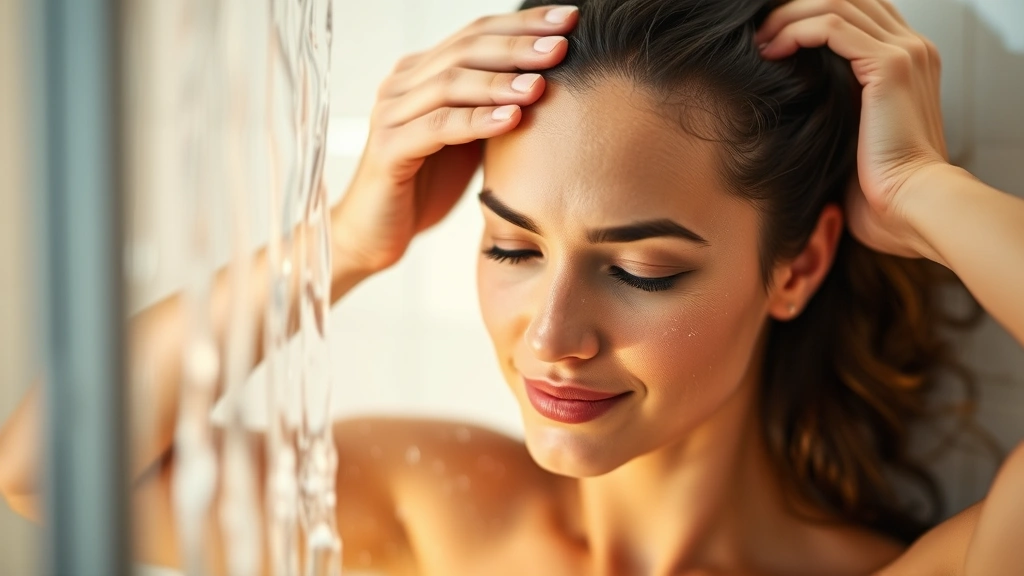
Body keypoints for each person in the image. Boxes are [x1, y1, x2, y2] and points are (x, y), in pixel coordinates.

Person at [2, 0, 1023, 574]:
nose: (552, 336)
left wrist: (923, 192)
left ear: (795, 267)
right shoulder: (426, 511)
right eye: (513, 251)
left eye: (639, 269)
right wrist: (347, 242)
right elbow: (48, 471)